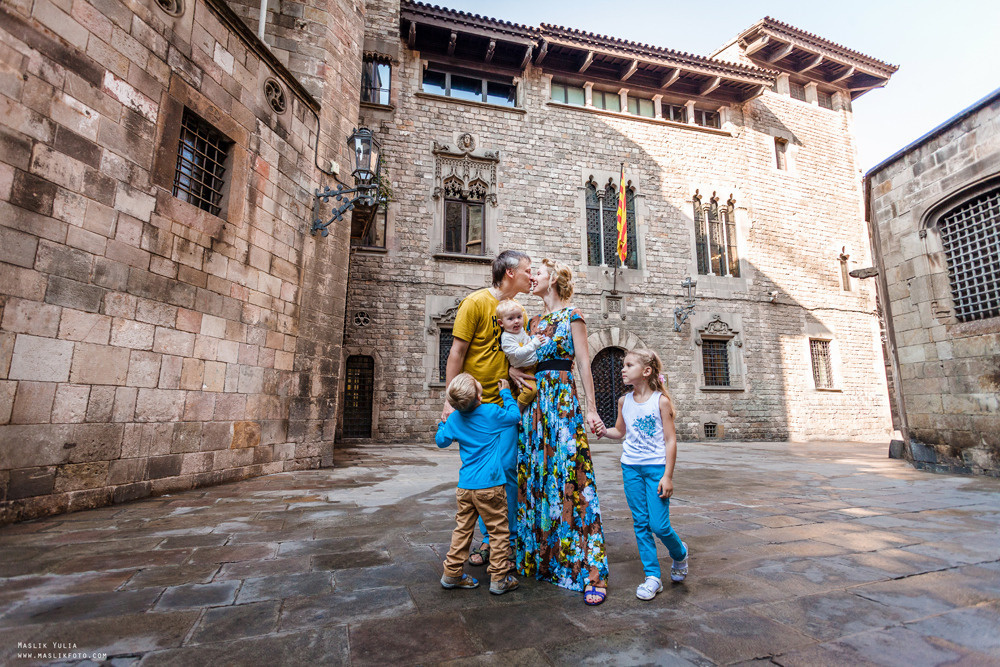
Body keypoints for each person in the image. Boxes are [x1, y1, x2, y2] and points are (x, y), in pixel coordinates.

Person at [515, 258, 610, 605]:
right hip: (534, 406)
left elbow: (584, 362)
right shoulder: (531, 321)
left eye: (537, 273)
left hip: (562, 401)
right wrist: (511, 374)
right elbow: (519, 359)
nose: (531, 278)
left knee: (572, 476)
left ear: (553, 278)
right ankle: (544, 559)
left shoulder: (573, 316)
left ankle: (589, 570)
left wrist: (592, 408)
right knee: (537, 476)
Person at [441, 250, 534, 567]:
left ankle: (505, 541)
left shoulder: (519, 311)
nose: (531, 276)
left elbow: (513, 351)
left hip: (504, 406)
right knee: (484, 476)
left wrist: (513, 368)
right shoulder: (475, 303)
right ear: (510, 272)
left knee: (507, 471)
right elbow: (457, 352)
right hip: (475, 408)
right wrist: (449, 400)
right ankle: (489, 539)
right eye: (527, 270)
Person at [596, 348, 689, 600]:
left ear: (646, 371)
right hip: (631, 468)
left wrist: (667, 476)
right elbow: (620, 431)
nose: (622, 370)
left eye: (629, 365)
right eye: (623, 365)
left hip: (656, 469)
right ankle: (652, 577)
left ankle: (680, 553)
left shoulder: (661, 401)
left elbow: (670, 440)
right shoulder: (623, 401)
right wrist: (604, 431)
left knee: (659, 525)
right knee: (640, 523)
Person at [436, 373, 520, 595]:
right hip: (490, 485)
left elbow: (441, 441)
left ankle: (451, 573)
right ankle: (499, 578)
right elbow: (514, 416)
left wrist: (442, 423)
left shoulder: (455, 419)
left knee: (462, 530)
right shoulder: (491, 412)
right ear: (478, 396)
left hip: (465, 487)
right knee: (499, 532)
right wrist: (506, 393)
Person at [497, 299, 548, 411]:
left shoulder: (520, 330)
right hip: (524, 369)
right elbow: (518, 353)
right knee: (530, 391)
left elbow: (526, 341)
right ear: (501, 323)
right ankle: (517, 410)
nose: (516, 321)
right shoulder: (507, 338)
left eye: (519, 317)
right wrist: (534, 343)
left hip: (534, 365)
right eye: (510, 319)